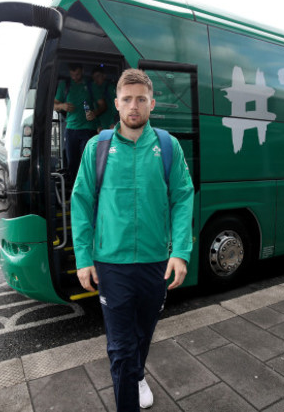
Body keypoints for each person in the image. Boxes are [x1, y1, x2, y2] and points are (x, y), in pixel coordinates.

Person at [71, 69, 194, 411]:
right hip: (111, 264)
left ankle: (138, 374)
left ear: (152, 104)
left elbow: (183, 197)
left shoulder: (168, 147)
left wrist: (180, 251)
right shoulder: (97, 147)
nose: (134, 106)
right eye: (127, 99)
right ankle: (130, 386)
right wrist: (83, 257)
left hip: (156, 261)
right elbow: (81, 202)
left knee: (144, 333)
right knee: (121, 349)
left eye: (141, 99)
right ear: (116, 104)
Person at [54, 63, 104, 186]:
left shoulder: (91, 85)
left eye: (77, 74)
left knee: (86, 162)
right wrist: (62, 106)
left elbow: (103, 105)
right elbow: (54, 104)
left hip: (88, 129)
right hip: (71, 130)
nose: (75, 77)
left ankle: (87, 190)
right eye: (72, 75)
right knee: (72, 164)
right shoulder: (64, 85)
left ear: (82, 71)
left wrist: (94, 113)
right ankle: (73, 192)